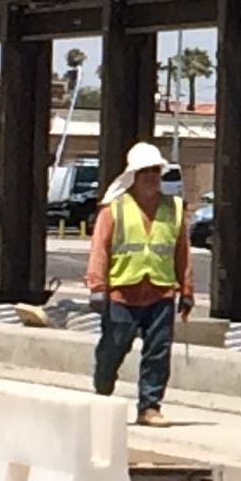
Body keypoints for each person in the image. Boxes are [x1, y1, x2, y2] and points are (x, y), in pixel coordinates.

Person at [84, 141, 190, 427]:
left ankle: (150, 406)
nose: (151, 176)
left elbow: (181, 252)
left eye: (155, 170)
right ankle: (103, 394)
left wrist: (187, 289)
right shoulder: (114, 208)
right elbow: (100, 248)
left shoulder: (174, 209)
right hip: (123, 292)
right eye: (145, 171)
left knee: (158, 352)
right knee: (113, 348)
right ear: (133, 175)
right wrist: (97, 287)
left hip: (160, 290)